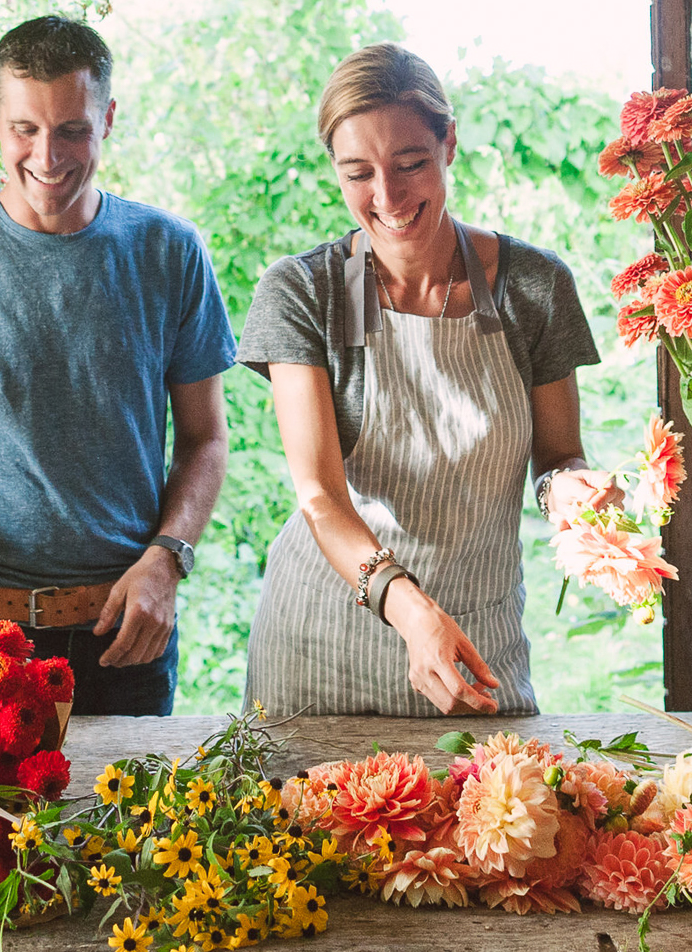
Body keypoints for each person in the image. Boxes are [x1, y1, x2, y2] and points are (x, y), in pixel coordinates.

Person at [0, 15, 236, 715]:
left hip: (125, 629)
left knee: (124, 827)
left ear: (109, 120)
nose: (48, 154)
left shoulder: (171, 253)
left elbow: (205, 440)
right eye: (25, 129)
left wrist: (167, 560)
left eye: (73, 130)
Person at [239, 43, 608, 717]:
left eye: (410, 164)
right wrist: (410, 610)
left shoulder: (534, 286)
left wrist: (574, 495)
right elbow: (321, 497)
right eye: (359, 174)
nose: (388, 197)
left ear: (449, 144)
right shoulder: (305, 291)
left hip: (476, 643)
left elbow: (558, 458)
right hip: (318, 650)